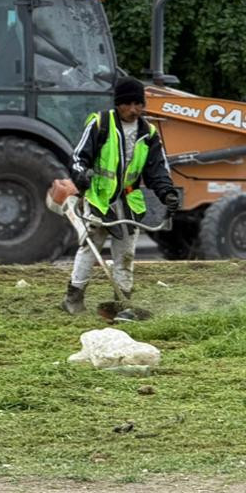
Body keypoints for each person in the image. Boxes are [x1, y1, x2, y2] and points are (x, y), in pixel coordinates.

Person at [63, 77, 182, 320]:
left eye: (138, 104)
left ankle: (123, 303)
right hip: (99, 198)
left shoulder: (148, 133)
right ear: (118, 104)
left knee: (125, 254)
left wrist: (167, 193)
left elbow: (158, 170)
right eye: (127, 104)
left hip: (128, 202)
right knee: (89, 248)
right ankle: (73, 298)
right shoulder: (101, 123)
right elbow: (78, 157)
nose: (133, 110)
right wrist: (80, 176)